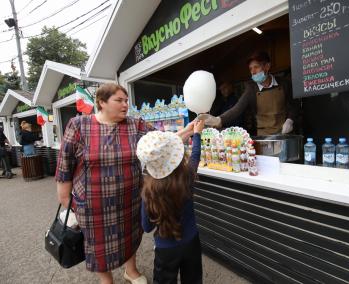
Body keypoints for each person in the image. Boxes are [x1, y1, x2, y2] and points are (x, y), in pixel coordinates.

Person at [55, 83, 195, 284]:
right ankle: (107, 280)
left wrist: (188, 131)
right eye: (119, 100)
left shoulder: (134, 124)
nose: (125, 105)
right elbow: (65, 163)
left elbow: (161, 141)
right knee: (99, 246)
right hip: (93, 205)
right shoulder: (79, 125)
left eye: (126, 100)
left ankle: (131, 271)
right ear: (102, 102)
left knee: (130, 237)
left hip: (130, 199)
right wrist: (64, 196)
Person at [137, 119, 205, 284]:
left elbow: (146, 227)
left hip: (165, 248)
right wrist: (196, 134)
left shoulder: (149, 192)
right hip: (191, 241)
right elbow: (195, 155)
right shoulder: (187, 176)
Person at [203, 51, 298, 136]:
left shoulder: (284, 83)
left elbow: (294, 106)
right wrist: (219, 119)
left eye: (256, 67)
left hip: (284, 134)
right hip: (263, 136)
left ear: (267, 66)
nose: (253, 72)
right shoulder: (251, 89)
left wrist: (290, 120)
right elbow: (237, 109)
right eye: (250, 69)